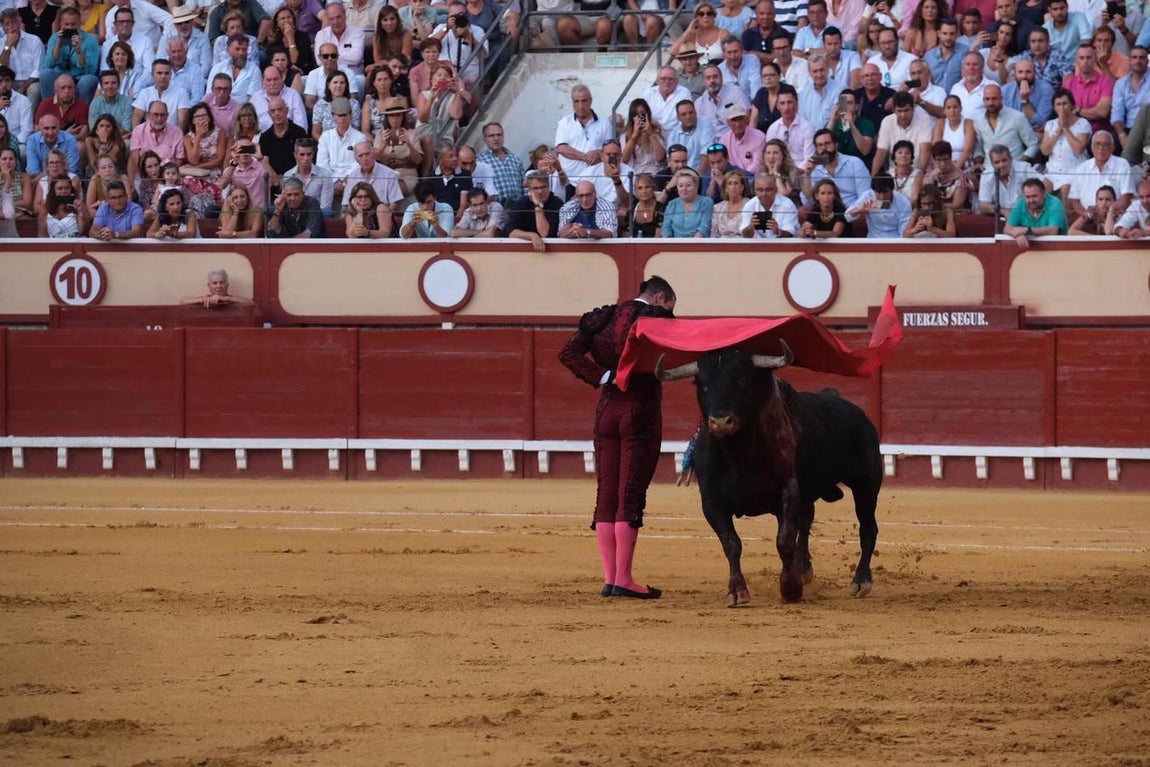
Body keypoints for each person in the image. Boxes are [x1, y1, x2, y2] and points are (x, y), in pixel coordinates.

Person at [557, 275, 677, 600]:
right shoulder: (655, 317)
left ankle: (611, 578)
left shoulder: (603, 317)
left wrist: (604, 375)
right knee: (629, 493)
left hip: (607, 409)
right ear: (660, 298)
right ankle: (624, 578)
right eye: (670, 306)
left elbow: (568, 354)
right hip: (640, 410)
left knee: (607, 492)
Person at [1040, 88, 1092, 200]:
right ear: (1054, 107)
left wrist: (1065, 128)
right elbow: (1045, 151)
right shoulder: (1050, 124)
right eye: (1058, 104)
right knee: (1042, 189)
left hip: (1075, 170)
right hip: (1053, 170)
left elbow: (1079, 149)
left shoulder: (1083, 123)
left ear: (1072, 105)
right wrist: (1059, 130)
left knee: (1066, 189)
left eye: (1065, 103)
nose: (1062, 108)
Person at [1069, 131, 1134, 218]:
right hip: (1088, 219)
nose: (1101, 148)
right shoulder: (1082, 168)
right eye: (1097, 144)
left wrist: (1109, 212)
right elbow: (1074, 199)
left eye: (1106, 144)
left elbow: (1127, 196)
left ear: (1112, 148)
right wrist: (1087, 215)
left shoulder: (1122, 164)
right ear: (1092, 147)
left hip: (1114, 217)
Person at [504, 169, 562, 252]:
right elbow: (510, 231)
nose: (540, 191)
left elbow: (545, 234)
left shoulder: (557, 203)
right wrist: (532, 236)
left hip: (551, 252)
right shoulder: (522, 203)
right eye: (535, 188)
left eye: (543, 187)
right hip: (523, 252)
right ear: (529, 190)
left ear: (549, 187)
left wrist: (538, 206)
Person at [1004, 176, 1069, 246]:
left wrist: (1027, 231)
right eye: (1028, 197)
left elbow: (1053, 230)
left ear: (1044, 193)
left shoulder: (1055, 203)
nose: (1031, 200)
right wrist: (1017, 234)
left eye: (1034, 196)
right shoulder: (1021, 203)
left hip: (1057, 248)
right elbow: (1007, 229)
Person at [847, 172, 912, 237]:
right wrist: (860, 209)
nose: (882, 197)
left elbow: (903, 231)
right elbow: (847, 216)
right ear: (873, 191)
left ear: (892, 190)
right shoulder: (868, 195)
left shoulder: (903, 203)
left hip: (894, 240)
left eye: (885, 192)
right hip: (872, 240)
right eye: (878, 193)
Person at [477, 121, 524, 208]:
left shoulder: (515, 159)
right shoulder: (480, 161)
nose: (496, 138)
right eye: (491, 136)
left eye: (499, 135)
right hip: (494, 210)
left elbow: (524, 185)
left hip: (518, 209)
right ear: (485, 139)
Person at [979, 143, 1031, 218]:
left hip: (1026, 214)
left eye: (1004, 160)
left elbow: (1046, 183)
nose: (1001, 165)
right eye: (997, 162)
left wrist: (1032, 205)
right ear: (992, 164)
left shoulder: (1023, 168)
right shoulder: (986, 175)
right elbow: (983, 206)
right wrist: (1004, 211)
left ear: (1011, 159)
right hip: (1002, 217)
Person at [741, 171, 799, 237]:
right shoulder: (749, 205)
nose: (764, 194)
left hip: (782, 245)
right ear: (755, 191)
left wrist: (777, 231)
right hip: (757, 245)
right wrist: (750, 227)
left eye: (768, 190)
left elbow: (790, 233)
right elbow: (744, 234)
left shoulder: (788, 205)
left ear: (776, 190)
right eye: (760, 190)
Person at [621, 98, 667, 176]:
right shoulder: (625, 136)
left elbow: (661, 157)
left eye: (642, 114)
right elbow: (624, 159)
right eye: (636, 115)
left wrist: (651, 134)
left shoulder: (659, 132)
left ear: (647, 114)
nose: (640, 118)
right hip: (635, 175)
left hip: (655, 173)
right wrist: (634, 137)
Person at [661, 169, 714, 236]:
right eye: (681, 186)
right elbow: (666, 230)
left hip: (698, 242)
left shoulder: (706, 202)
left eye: (688, 185)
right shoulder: (672, 204)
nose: (684, 189)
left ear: (696, 186)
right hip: (675, 244)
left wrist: (692, 244)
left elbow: (704, 228)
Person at [932, 93, 976, 173]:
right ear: (944, 111)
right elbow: (935, 150)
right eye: (948, 107)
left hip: (964, 164)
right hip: (943, 164)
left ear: (961, 109)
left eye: (955, 107)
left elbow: (967, 151)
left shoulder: (968, 124)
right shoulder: (940, 123)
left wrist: (953, 171)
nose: (952, 110)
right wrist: (939, 169)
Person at [182, 268, 255, 308]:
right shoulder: (205, 299)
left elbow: (252, 304)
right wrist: (203, 300)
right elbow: (183, 301)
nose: (219, 286)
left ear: (227, 285)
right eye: (215, 283)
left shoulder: (233, 299)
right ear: (209, 286)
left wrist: (225, 298)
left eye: (222, 282)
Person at [711, 169, 751, 237]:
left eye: (736, 183)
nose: (733, 187)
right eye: (729, 184)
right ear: (726, 188)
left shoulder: (750, 205)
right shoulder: (717, 208)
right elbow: (714, 234)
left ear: (742, 187)